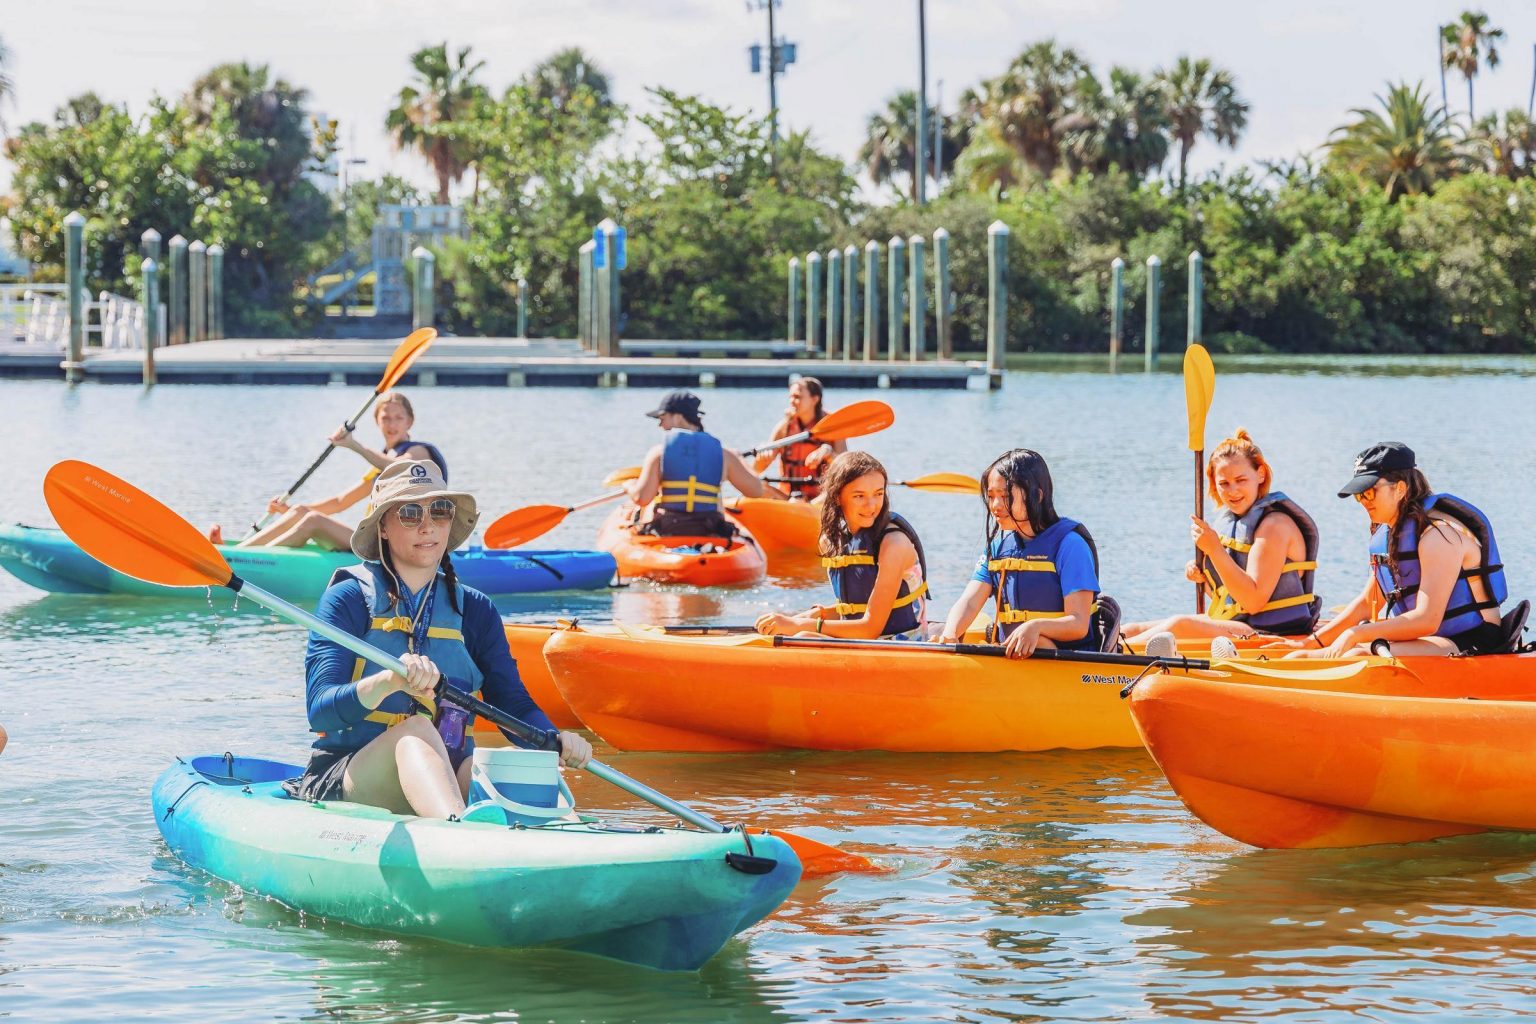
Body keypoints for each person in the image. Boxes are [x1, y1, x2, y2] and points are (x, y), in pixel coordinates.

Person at [288, 459, 592, 819]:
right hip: (348, 776)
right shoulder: (348, 599)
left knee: (513, 763)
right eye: (410, 513)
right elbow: (320, 711)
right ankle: (458, 834)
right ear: (382, 526)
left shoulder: (476, 610)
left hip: (445, 775)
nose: (428, 525)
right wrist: (388, 681)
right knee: (415, 730)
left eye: (441, 511)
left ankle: (574, 835)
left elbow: (514, 704)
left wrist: (555, 740)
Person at [1288, 442, 1510, 659]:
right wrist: (1311, 642)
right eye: (1359, 495)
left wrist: (1357, 634)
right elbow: (1367, 603)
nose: (1363, 501)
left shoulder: (1438, 536)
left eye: (1370, 492)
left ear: (1401, 488)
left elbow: (1427, 619)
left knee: (1358, 654)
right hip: (1434, 638)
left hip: (1473, 640)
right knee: (1345, 649)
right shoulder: (1392, 535)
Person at [1123, 429, 1321, 646]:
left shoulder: (1274, 526)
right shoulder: (1235, 522)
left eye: (1241, 480)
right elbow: (1230, 599)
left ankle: (1113, 654)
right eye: (1224, 483)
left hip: (1272, 632)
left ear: (1260, 475)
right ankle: (1101, 645)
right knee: (1134, 629)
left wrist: (1214, 550)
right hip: (1242, 625)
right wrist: (1205, 579)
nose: (1232, 490)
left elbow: (1253, 602)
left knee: (1179, 626)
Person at [211, 392, 447, 549]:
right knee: (304, 511)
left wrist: (353, 445)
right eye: (386, 418)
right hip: (374, 538)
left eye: (398, 418)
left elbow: (400, 467)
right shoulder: (380, 463)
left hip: (403, 545)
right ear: (377, 422)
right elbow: (340, 502)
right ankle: (240, 552)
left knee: (313, 520)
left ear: (410, 422)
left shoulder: (419, 452)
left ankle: (243, 563)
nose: (392, 424)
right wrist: (290, 510)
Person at [938, 449, 1109, 659]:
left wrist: (1035, 626)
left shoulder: (1071, 546)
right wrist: (950, 633)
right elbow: (970, 601)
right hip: (1012, 655)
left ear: (1036, 495)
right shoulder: (999, 546)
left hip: (1066, 660)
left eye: (1006, 496)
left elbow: (1078, 623)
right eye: (991, 496)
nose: (995, 506)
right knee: (943, 630)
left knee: (1039, 641)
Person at [755, 451, 929, 639]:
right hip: (870, 645)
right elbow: (856, 609)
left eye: (878, 494)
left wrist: (800, 624)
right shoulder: (832, 542)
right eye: (859, 496)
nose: (871, 505)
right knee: (799, 631)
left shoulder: (894, 543)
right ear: (838, 496)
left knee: (805, 636)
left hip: (905, 646)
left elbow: (870, 628)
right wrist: (813, 615)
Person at [626, 390, 784, 539]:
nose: (660, 426)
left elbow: (642, 498)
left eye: (662, 418)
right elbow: (755, 490)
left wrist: (630, 486)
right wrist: (740, 460)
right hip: (709, 530)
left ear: (678, 417)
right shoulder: (724, 454)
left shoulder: (659, 453)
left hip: (669, 530)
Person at [753, 377, 847, 500]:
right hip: (787, 498)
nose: (792, 401)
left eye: (797, 397)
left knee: (837, 491)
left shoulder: (833, 427)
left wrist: (829, 453)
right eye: (790, 397)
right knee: (755, 486)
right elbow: (755, 472)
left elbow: (846, 471)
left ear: (814, 399)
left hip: (820, 499)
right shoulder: (784, 427)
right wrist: (762, 460)